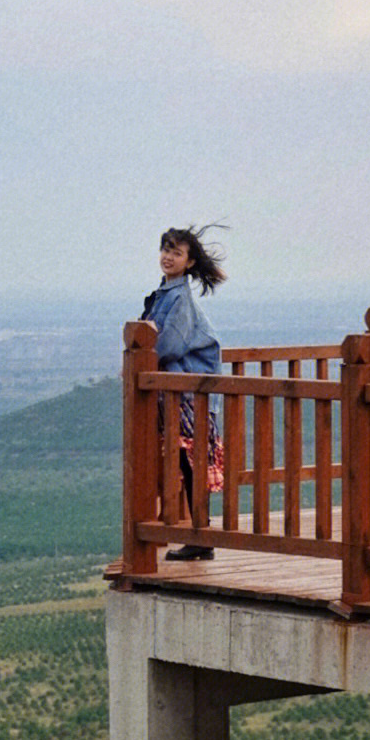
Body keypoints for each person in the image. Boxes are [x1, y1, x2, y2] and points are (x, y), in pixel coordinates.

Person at [142, 225, 226, 561]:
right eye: (165, 249)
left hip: (187, 391)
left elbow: (170, 345)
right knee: (187, 461)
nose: (168, 257)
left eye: (176, 252)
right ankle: (199, 536)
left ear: (188, 262)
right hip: (178, 389)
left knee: (192, 463)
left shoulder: (178, 298)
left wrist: (142, 357)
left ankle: (201, 538)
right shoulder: (166, 294)